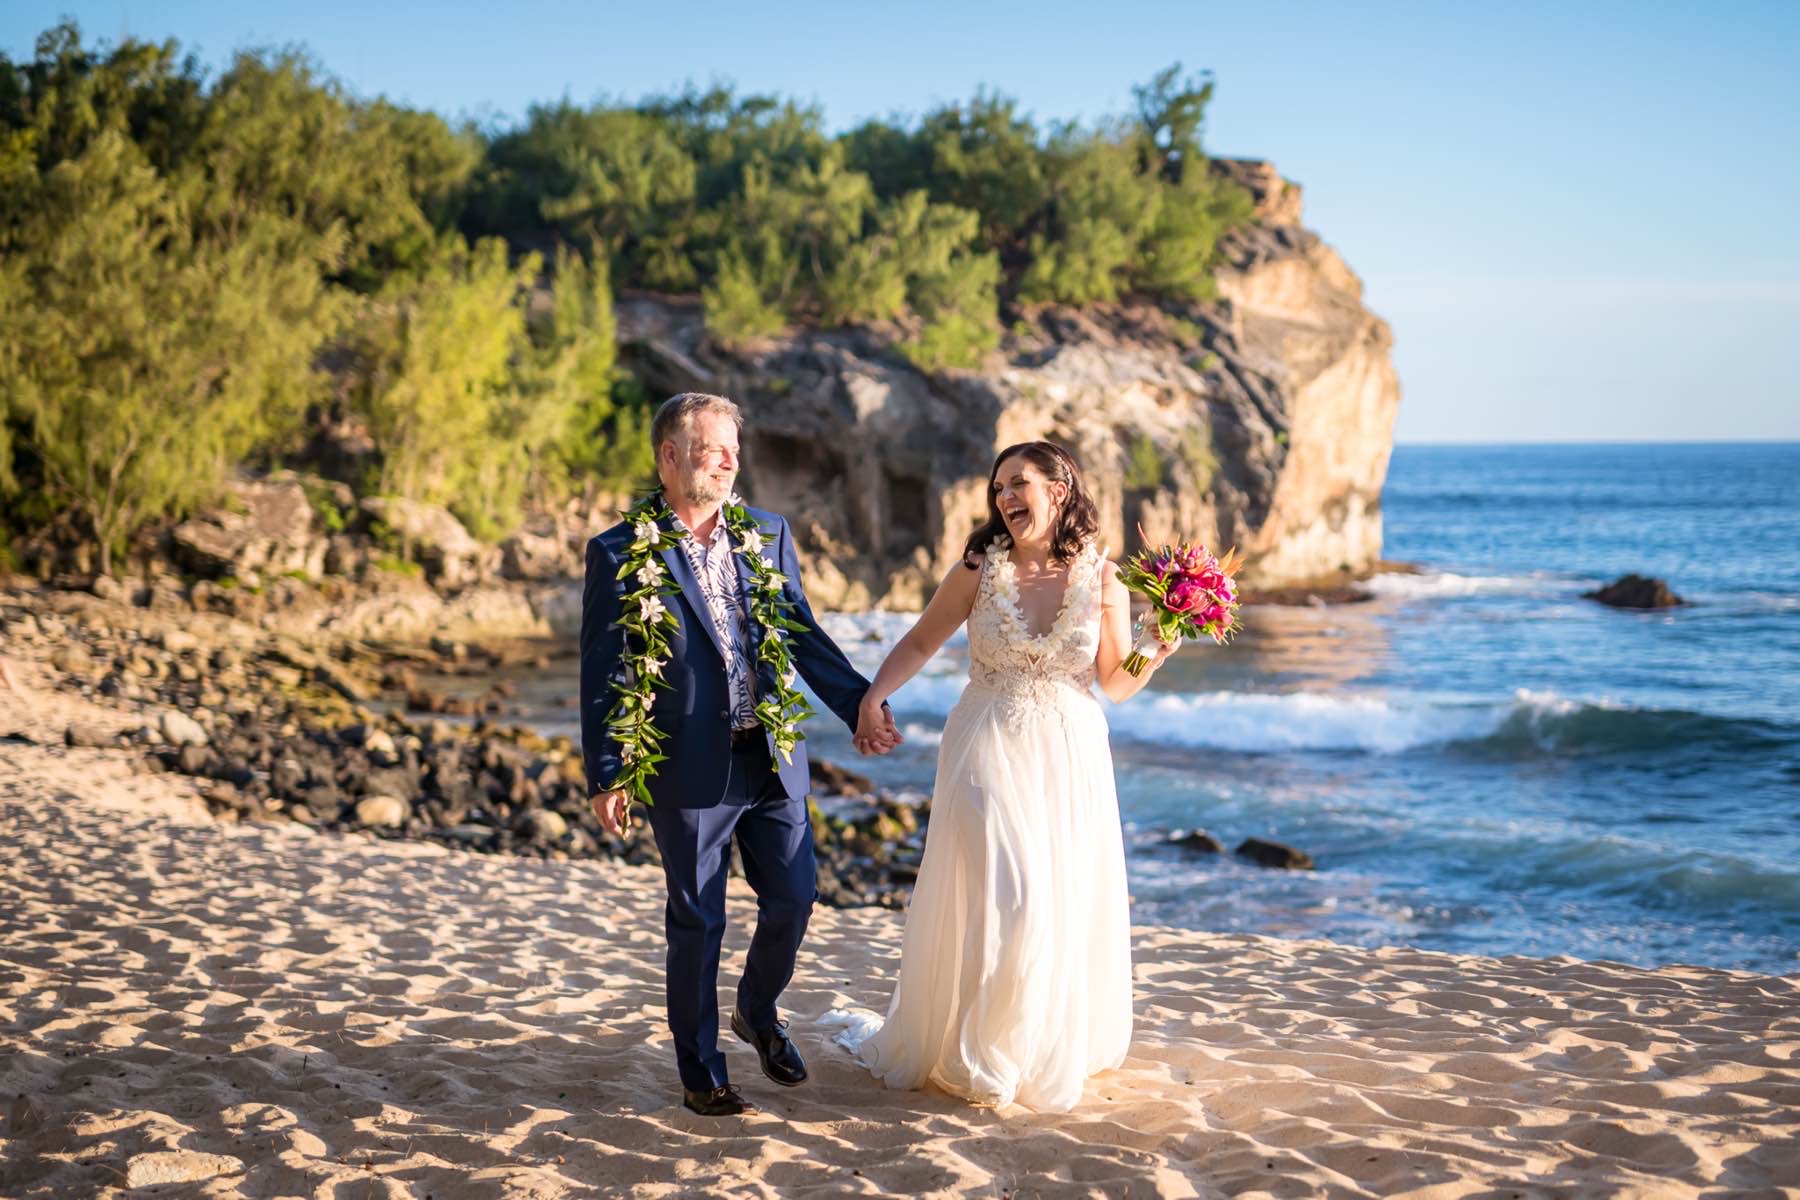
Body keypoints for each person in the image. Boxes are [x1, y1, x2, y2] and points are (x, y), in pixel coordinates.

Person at [831, 440, 1177, 1112]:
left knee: (1051, 903)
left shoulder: (1103, 577)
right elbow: (924, 639)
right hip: (985, 737)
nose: (1005, 498)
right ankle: (982, 1056)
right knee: (1009, 893)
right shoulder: (978, 567)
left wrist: (1155, 649)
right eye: (998, 489)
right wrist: (873, 696)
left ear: (1059, 486)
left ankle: (1024, 1046)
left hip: (1070, 753)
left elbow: (1114, 682)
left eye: (1018, 483)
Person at [581, 391, 900, 1117]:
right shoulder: (620, 552)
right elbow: (601, 670)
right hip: (686, 767)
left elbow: (805, 636)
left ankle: (757, 1012)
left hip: (771, 756)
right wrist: (607, 772)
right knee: (698, 920)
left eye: (732, 449)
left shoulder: (768, 532)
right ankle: (702, 1074)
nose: (727, 462)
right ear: (668, 456)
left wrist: (861, 703)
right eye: (709, 448)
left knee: (795, 898)